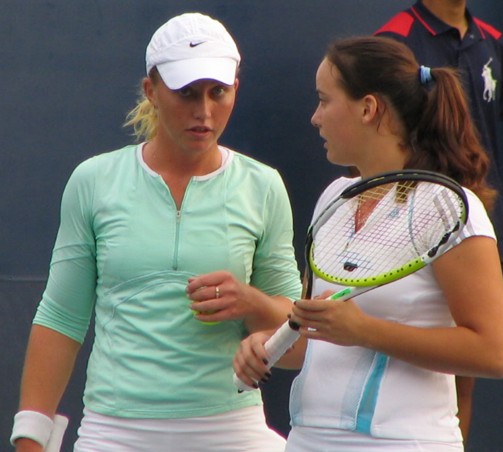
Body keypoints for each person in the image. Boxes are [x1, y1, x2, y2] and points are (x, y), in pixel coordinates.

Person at [10, 12, 302, 452]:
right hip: (113, 432)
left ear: (235, 90)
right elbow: (61, 318)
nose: (203, 111)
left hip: (232, 426)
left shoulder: (263, 185)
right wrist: (31, 436)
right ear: (151, 90)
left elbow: (292, 328)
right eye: (186, 93)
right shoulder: (94, 181)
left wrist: (250, 302)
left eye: (217, 92)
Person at [233, 36, 503, 451]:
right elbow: (316, 335)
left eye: (324, 101)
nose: (315, 117)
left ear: (368, 109)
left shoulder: (448, 207)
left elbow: (493, 353)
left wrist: (366, 331)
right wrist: (269, 346)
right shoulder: (334, 198)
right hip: (309, 439)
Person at [374, 0, 503, 440]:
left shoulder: (494, 43)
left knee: (463, 377)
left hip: (483, 227)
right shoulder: (394, 40)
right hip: (411, 226)